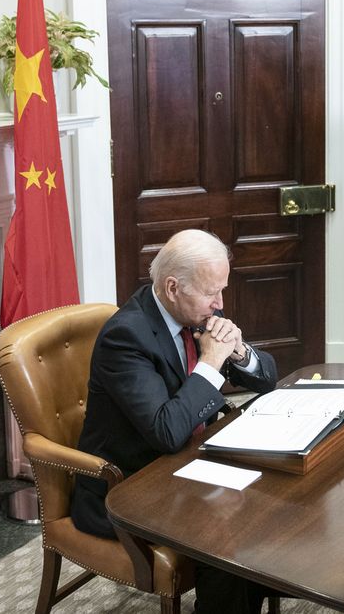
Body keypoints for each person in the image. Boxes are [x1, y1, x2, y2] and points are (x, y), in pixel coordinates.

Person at [71, 229, 279, 613]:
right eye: (211, 293)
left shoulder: (193, 311)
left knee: (272, 497)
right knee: (226, 535)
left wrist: (238, 353)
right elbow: (166, 431)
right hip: (131, 484)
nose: (219, 304)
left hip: (189, 464)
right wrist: (212, 362)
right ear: (172, 288)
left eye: (222, 290)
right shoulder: (126, 337)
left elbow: (267, 380)